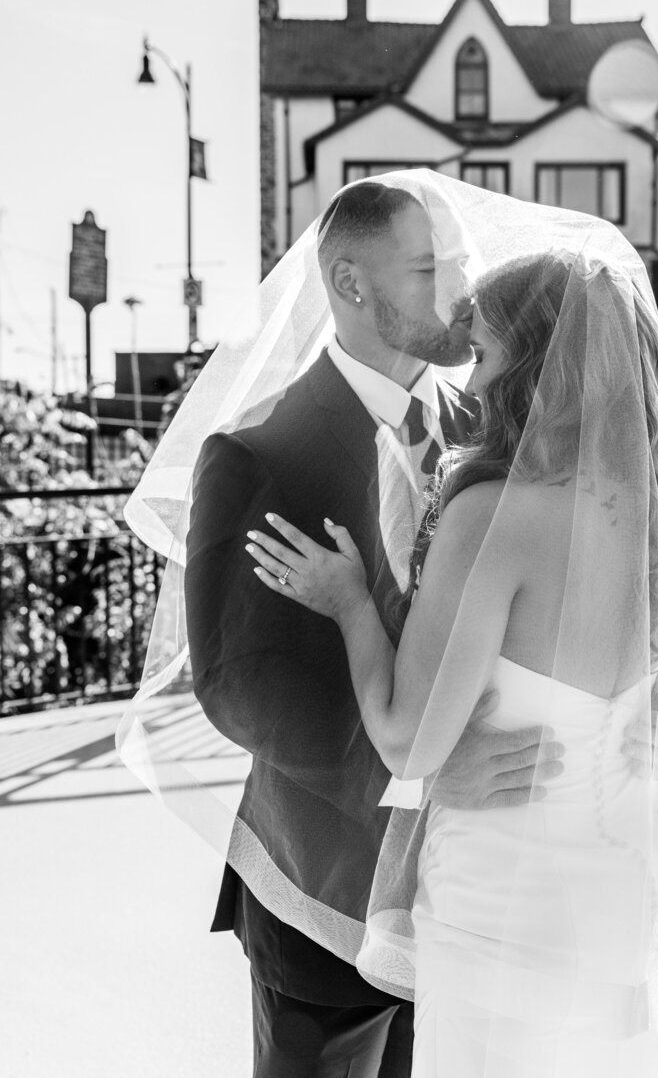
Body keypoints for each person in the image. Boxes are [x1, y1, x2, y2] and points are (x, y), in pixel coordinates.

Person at [244, 242, 658, 1076]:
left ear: (536, 368)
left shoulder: (496, 518)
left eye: (487, 354)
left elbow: (406, 742)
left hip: (499, 892)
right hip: (617, 883)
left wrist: (351, 604)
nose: (470, 379)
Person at [182, 182, 567, 1078]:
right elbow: (236, 683)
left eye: (459, 266)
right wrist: (422, 775)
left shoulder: (489, 423)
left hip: (465, 899)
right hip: (324, 895)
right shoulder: (256, 454)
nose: (462, 294)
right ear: (350, 286)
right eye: (430, 271)